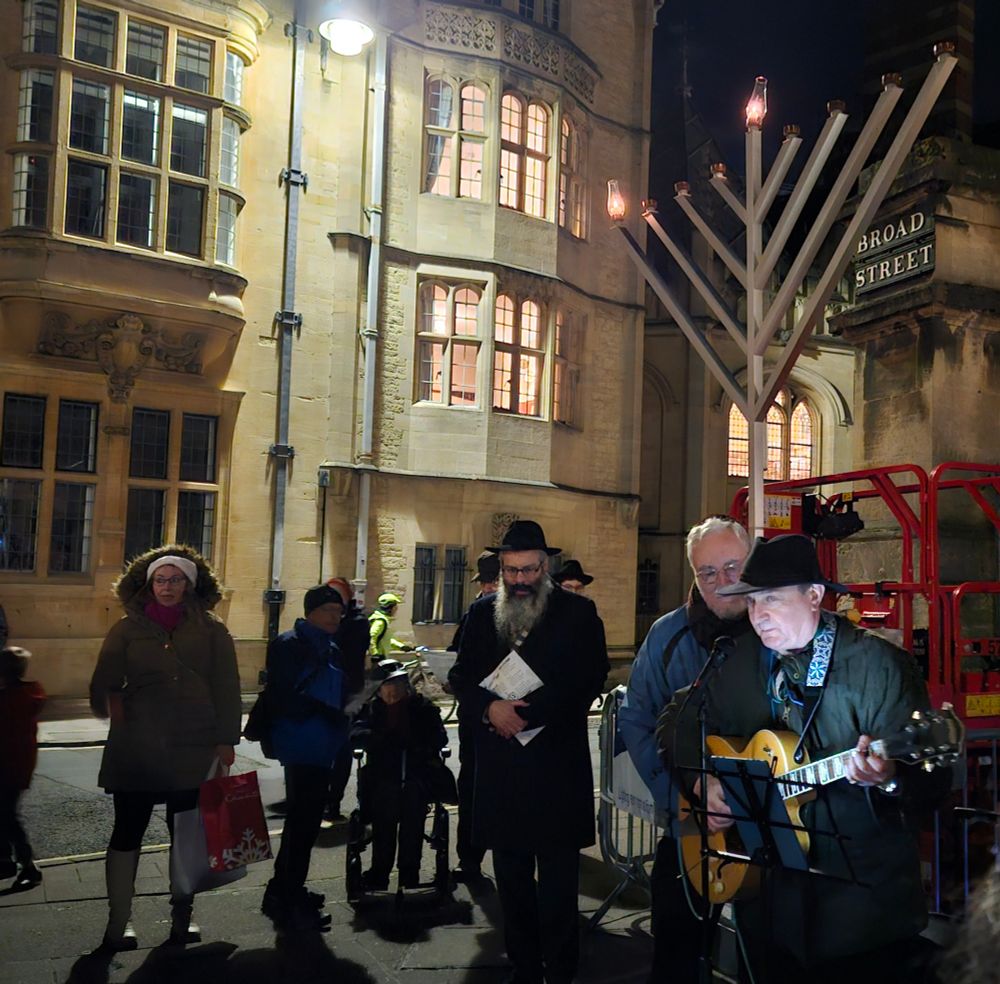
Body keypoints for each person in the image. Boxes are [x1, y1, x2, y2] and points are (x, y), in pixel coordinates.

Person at [660, 534, 951, 984]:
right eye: (752, 602)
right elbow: (675, 724)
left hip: (860, 917)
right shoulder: (738, 659)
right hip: (768, 907)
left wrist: (888, 777)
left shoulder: (878, 665)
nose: (759, 615)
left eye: (772, 599)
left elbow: (932, 785)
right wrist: (703, 785)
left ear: (814, 595)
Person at [449, 520, 609, 984]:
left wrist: (528, 715)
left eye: (528, 570)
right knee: (513, 882)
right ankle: (523, 965)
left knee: (558, 886)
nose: (519, 580)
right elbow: (461, 676)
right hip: (503, 771)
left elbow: (589, 679)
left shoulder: (579, 614)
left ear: (546, 566)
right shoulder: (481, 615)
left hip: (556, 769)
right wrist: (489, 708)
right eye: (511, 571)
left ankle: (561, 970)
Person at [619, 516, 754, 982]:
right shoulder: (667, 635)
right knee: (675, 952)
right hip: (687, 828)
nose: (722, 582)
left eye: (733, 567)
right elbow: (636, 718)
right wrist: (678, 796)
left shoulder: (777, 625)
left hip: (768, 835)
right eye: (707, 572)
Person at [90, 547, 241, 950]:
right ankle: (118, 922)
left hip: (193, 747)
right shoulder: (125, 629)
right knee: (126, 832)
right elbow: (102, 685)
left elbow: (227, 688)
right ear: (148, 584)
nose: (167, 587)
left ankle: (182, 917)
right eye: (160, 579)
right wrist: (119, 711)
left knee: (186, 836)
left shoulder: (213, 630)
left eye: (176, 580)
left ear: (190, 585)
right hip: (136, 750)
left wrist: (227, 739)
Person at [261, 583, 357, 930]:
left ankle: (286, 888)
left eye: (339, 611)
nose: (336, 616)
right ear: (310, 612)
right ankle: (286, 896)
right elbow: (285, 695)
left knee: (305, 823)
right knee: (302, 823)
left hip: (322, 745)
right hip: (301, 744)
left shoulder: (328, 645)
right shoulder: (291, 644)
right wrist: (328, 711)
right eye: (329, 610)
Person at [351, 664, 453, 889]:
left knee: (413, 814)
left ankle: (409, 872)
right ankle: (380, 872)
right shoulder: (370, 710)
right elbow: (356, 734)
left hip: (416, 774)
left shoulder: (422, 708)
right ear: (378, 689)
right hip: (382, 776)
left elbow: (439, 738)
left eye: (397, 684)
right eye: (388, 685)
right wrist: (381, 739)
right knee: (384, 817)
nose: (393, 691)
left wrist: (416, 743)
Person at [449, 549, 501, 883]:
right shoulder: (476, 613)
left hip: (510, 718)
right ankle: (470, 858)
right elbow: (459, 663)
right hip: (478, 718)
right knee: (473, 788)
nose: (485, 590)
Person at [323, 576, 370, 823]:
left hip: (348, 693)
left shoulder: (357, 623)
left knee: (341, 749)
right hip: (325, 693)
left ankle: (333, 801)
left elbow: (350, 653)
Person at [0, 646, 46, 891]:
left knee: (8, 816)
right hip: (20, 764)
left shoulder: (8, 699)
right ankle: (5, 860)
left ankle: (28, 865)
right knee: (5, 813)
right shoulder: (30, 694)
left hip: (7, 766)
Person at [368, 592, 412, 660]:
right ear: (389, 607)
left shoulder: (384, 619)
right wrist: (375, 654)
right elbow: (372, 637)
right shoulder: (380, 621)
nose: (396, 610)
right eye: (395, 607)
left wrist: (402, 647)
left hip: (382, 657)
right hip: (378, 658)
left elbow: (386, 640)